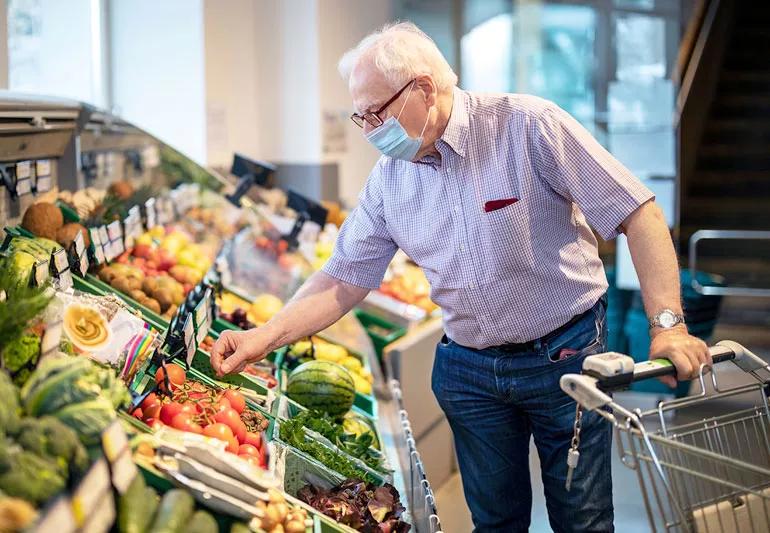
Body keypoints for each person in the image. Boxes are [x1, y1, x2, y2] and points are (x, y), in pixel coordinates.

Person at [211, 22, 711, 533]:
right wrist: (262, 338)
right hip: (469, 372)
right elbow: (343, 276)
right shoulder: (389, 179)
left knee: (582, 519)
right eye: (359, 117)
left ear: (423, 89)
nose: (368, 130)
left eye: (375, 113)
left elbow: (637, 213)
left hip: (566, 356)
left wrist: (667, 325)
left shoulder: (528, 125)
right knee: (495, 522)